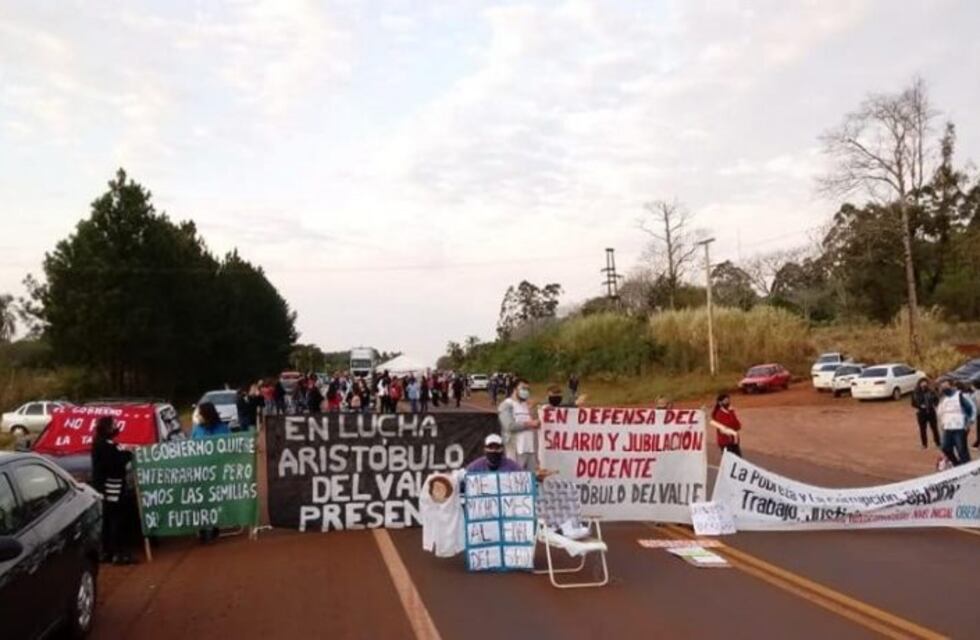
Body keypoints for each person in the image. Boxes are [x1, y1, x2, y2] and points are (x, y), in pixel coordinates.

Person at [92, 416, 135, 564]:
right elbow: (114, 463)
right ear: (107, 428)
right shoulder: (104, 446)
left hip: (108, 488)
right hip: (112, 488)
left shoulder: (103, 444)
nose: (117, 427)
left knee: (109, 520)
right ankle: (117, 554)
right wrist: (127, 455)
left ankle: (108, 552)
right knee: (116, 520)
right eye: (114, 425)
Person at [498, 378, 540, 471]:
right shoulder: (506, 405)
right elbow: (509, 426)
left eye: (528, 389)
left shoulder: (527, 405)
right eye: (523, 388)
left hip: (530, 450)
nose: (526, 392)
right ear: (514, 389)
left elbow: (537, 423)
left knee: (532, 480)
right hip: (516, 451)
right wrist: (529, 424)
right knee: (517, 480)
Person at [937, 379, 972, 466]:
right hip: (947, 427)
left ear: (951, 386)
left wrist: (967, 422)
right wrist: (942, 422)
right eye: (942, 387)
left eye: (946, 386)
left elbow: (969, 408)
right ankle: (956, 464)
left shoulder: (959, 396)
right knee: (945, 447)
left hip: (959, 427)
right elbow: (940, 412)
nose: (944, 388)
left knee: (961, 449)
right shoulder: (942, 398)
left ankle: (966, 467)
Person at [910, 379, 940, 449]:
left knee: (934, 428)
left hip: (931, 411)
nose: (924, 384)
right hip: (921, 413)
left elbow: (936, 399)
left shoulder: (931, 391)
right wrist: (920, 406)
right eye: (922, 383)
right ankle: (924, 444)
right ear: (919, 384)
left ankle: (938, 443)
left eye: (925, 383)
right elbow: (913, 403)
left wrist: (934, 404)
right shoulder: (915, 393)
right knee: (922, 429)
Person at [711, 393, 742, 458]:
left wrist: (731, 413)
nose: (728, 402)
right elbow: (727, 426)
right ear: (720, 403)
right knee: (729, 461)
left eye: (728, 400)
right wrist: (731, 414)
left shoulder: (730, 412)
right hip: (725, 442)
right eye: (725, 401)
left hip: (734, 441)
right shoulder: (719, 414)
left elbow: (738, 426)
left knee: (738, 460)